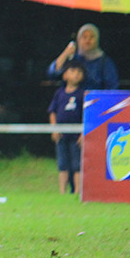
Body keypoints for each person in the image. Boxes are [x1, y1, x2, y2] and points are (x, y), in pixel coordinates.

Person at [48, 60, 86, 194]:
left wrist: (83, 133)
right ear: (65, 75)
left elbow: (87, 115)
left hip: (77, 136)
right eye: (73, 71)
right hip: (62, 134)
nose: (76, 74)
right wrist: (54, 129)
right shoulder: (59, 93)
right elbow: (52, 112)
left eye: (79, 72)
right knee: (62, 165)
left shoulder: (83, 94)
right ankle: (62, 192)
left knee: (77, 165)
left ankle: (77, 191)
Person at [47, 23, 118, 90]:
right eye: (84, 37)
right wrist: (65, 54)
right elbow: (52, 74)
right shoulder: (73, 58)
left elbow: (112, 87)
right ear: (78, 39)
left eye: (91, 37)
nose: (87, 40)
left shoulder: (105, 62)